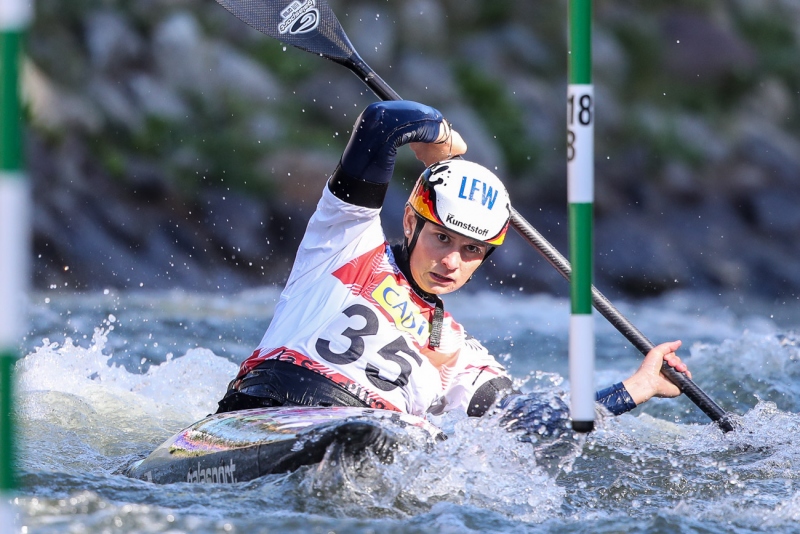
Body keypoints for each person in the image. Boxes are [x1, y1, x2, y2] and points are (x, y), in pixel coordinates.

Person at [216, 100, 691, 419]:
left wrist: (637, 388)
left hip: (367, 436)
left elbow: (529, 428)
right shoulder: (343, 243)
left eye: (471, 251)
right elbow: (383, 122)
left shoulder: (462, 356)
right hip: (263, 403)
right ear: (410, 222)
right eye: (441, 238)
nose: (452, 261)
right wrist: (440, 136)